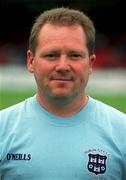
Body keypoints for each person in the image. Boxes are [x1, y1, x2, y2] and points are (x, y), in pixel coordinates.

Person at [0, 7, 126, 180]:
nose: (62, 66)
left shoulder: (122, 132)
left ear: (90, 63)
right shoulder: (3, 128)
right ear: (31, 61)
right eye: (51, 55)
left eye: (74, 55)